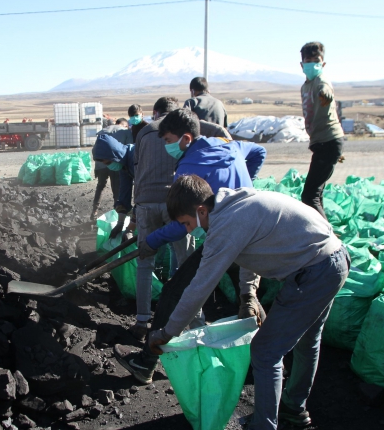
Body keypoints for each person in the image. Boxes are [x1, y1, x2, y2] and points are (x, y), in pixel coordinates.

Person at [148, 175, 350, 430]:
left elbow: (199, 287)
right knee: (308, 341)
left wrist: (168, 332)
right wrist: (248, 294)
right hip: (333, 259)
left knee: (265, 352)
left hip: (315, 271)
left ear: (200, 210)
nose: (189, 230)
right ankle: (293, 409)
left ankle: (265, 425)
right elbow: (251, 250)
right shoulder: (234, 204)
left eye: (187, 223)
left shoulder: (225, 224)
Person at [113, 108, 267, 384]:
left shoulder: (188, 167)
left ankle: (145, 362)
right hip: (250, 236)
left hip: (223, 239)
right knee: (247, 298)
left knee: (175, 293)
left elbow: (184, 221)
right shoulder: (229, 146)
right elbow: (259, 153)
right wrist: (247, 185)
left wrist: (152, 240)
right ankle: (262, 364)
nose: (166, 145)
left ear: (186, 138)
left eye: (168, 139)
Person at [127, 97, 196, 340]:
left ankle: (142, 320)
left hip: (145, 202)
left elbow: (137, 170)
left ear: (155, 112)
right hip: (175, 203)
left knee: (145, 262)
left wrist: (135, 211)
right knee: (185, 263)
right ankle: (192, 321)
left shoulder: (144, 132)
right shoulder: (180, 131)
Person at [299, 41, 345, 219]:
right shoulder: (306, 86)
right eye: (308, 60)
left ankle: (324, 236)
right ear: (302, 64)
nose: (312, 64)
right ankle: (324, 232)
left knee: (309, 196)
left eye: (316, 60)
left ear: (323, 63)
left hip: (329, 141)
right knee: (315, 194)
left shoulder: (321, 80)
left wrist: (325, 94)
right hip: (321, 142)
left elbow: (325, 89)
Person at [91, 134, 136, 239]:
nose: (109, 166)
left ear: (115, 155)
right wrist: (120, 223)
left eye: (109, 162)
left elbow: (143, 195)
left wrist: (131, 227)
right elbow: (124, 191)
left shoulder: (135, 158)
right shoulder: (123, 163)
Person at [91, 118, 133, 220]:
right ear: (124, 124)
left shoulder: (103, 131)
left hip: (100, 164)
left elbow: (95, 150)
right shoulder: (125, 131)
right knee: (117, 189)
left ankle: (94, 212)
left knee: (100, 186)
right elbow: (128, 148)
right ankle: (118, 214)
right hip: (116, 161)